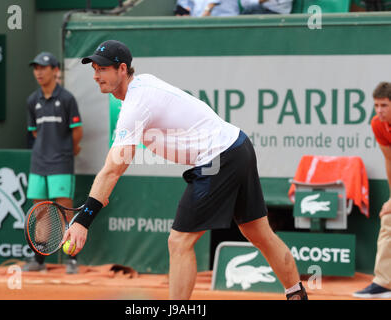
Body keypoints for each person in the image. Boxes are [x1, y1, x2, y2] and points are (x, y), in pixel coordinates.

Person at [62, 40, 307, 300]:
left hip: (219, 157)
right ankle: (297, 295)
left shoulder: (136, 103)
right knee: (258, 232)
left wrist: (83, 221)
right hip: (238, 145)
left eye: (102, 69)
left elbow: (113, 169)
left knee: (179, 242)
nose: (96, 75)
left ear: (122, 69)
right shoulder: (142, 87)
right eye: (94, 69)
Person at [23, 52, 83, 274]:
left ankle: (72, 259)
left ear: (55, 71)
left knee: (66, 211)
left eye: (43, 67)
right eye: (36, 67)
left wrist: (67, 149)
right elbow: (35, 133)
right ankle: (39, 260)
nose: (39, 72)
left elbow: (77, 132)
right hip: (38, 163)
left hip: (61, 163)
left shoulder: (67, 99)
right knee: (40, 212)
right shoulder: (32, 100)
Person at [354, 82, 391, 298]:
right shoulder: (378, 124)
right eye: (376, 105)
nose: (379, 110)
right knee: (388, 218)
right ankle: (384, 283)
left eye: (384, 105)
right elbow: (389, 158)